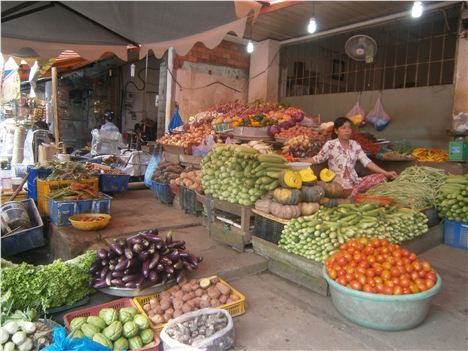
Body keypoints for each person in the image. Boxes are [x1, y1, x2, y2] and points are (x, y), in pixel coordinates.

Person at [309, 116, 397, 193]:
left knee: (381, 178)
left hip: (354, 182)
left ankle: (355, 190)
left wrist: (386, 173)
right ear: (336, 131)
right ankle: (353, 192)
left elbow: (367, 162)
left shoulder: (355, 145)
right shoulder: (330, 145)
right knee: (341, 190)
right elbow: (317, 159)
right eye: (343, 128)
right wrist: (300, 160)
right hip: (337, 184)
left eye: (349, 128)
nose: (347, 130)